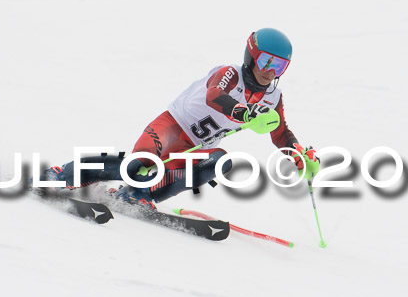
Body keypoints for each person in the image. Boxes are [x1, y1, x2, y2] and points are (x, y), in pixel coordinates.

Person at [40, 28, 320, 208]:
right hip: (172, 127)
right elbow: (214, 97)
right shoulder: (229, 74)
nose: (270, 72)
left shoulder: (273, 97)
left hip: (196, 147)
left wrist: (297, 154)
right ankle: (61, 175)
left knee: (220, 162)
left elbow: (280, 132)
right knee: (140, 165)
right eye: (266, 62)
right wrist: (242, 113)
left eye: (279, 65)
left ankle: (140, 197)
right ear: (251, 56)